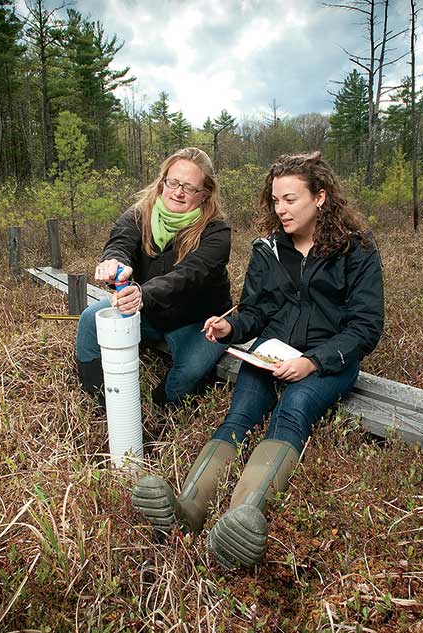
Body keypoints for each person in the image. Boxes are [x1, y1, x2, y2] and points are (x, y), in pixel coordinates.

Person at [132, 152, 384, 568]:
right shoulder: (267, 248)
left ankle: (242, 521)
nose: (279, 210)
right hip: (269, 351)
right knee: (239, 415)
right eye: (275, 200)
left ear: (320, 197)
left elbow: (365, 327)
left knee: (294, 409)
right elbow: (255, 310)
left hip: (327, 360)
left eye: (290, 199)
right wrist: (233, 328)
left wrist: (313, 362)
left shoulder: (357, 250)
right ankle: (187, 512)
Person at [76, 147, 232, 407]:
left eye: (190, 187)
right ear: (163, 182)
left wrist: (142, 294)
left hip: (197, 319)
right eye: (173, 182)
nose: (178, 192)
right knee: (90, 318)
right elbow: (121, 242)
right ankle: (102, 402)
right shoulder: (140, 213)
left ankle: (156, 413)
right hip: (150, 310)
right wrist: (116, 262)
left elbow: (188, 276)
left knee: (189, 375)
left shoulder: (217, 232)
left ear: (205, 194)